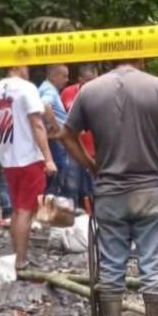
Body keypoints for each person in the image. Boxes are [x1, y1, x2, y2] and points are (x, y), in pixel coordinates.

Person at [61, 59, 158, 316]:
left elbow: (66, 135)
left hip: (109, 194)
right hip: (151, 192)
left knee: (110, 270)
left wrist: (92, 166)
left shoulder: (90, 91)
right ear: (141, 59)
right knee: (154, 270)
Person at [0, 66, 57, 270]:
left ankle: (17, 255)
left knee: (18, 210)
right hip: (29, 158)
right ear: (18, 66)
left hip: (8, 161)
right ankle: (20, 260)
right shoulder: (27, 88)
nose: (28, 70)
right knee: (26, 211)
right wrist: (49, 158)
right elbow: (36, 124)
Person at [61, 63, 98, 210]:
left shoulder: (103, 92)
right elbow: (60, 119)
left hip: (96, 150)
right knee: (72, 187)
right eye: (88, 81)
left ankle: (98, 218)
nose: (92, 84)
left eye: (94, 80)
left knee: (96, 188)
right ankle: (73, 222)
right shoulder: (67, 93)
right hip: (74, 150)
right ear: (80, 80)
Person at [37, 64, 71, 198]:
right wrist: (57, 127)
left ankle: (48, 202)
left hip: (50, 139)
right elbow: (44, 105)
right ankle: (51, 203)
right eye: (64, 76)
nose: (67, 79)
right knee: (56, 171)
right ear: (54, 76)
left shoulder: (44, 88)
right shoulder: (49, 90)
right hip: (54, 141)